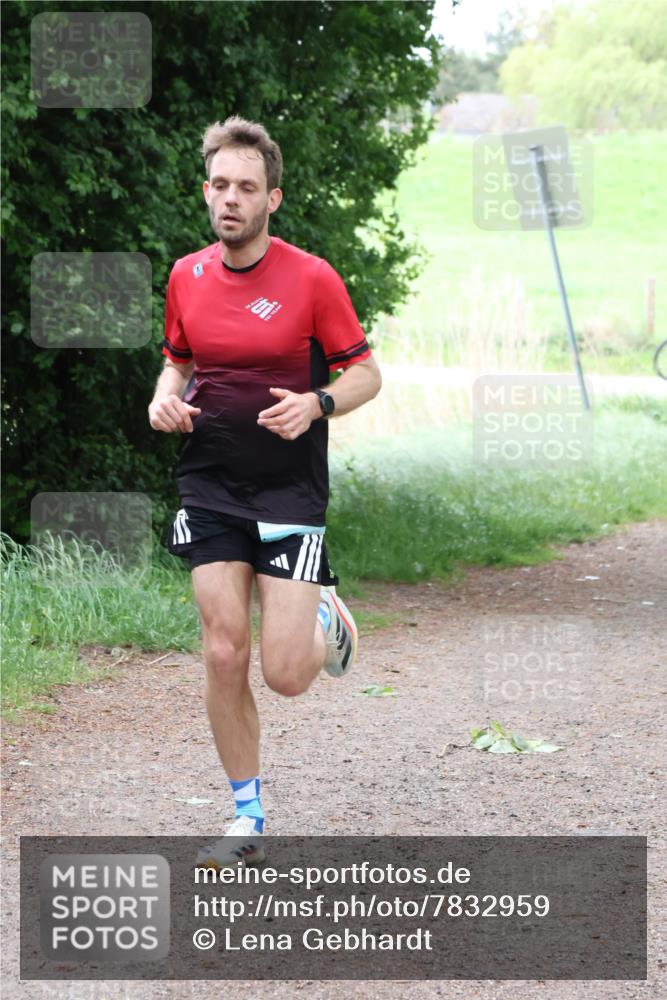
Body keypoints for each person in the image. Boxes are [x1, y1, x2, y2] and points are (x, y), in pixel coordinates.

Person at [148, 116, 381, 869]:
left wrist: (317, 403)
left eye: (246, 187)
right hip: (210, 483)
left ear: (271, 198)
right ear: (205, 191)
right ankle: (246, 815)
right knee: (223, 650)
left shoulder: (311, 279)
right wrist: (163, 398)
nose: (231, 199)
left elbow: (366, 374)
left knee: (284, 675)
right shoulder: (186, 276)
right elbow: (178, 360)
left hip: (288, 493)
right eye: (220, 185)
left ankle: (322, 614)